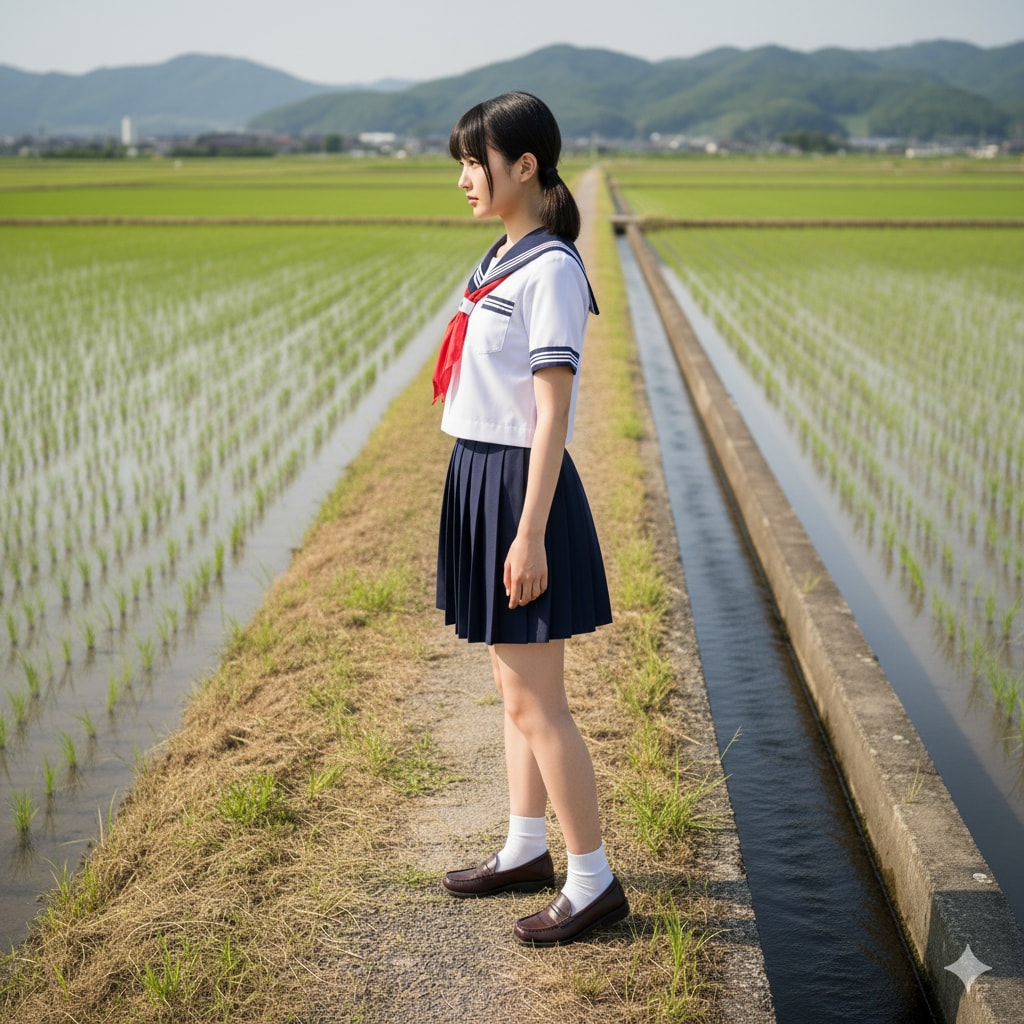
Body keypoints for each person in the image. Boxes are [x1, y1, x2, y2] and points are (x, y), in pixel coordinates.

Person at [432, 91, 628, 947]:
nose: (466, 178)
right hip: (480, 473)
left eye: (478, 161)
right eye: (461, 163)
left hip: (519, 487)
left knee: (541, 703)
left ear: (527, 166)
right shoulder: (499, 257)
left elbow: (552, 415)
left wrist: (528, 532)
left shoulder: (549, 269)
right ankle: (526, 848)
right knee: (514, 693)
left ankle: (594, 882)